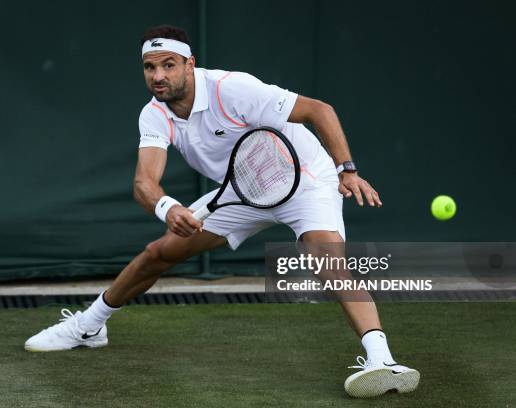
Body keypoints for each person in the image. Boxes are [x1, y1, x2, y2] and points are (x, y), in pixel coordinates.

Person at [24, 25, 420, 398]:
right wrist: (168, 207)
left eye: (168, 65)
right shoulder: (154, 113)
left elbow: (320, 110)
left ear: (189, 64)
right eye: (149, 67)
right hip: (243, 190)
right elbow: (144, 183)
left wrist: (345, 169)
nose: (158, 75)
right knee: (159, 254)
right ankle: (89, 327)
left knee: (327, 259)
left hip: (304, 178)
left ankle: (381, 358)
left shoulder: (234, 89)